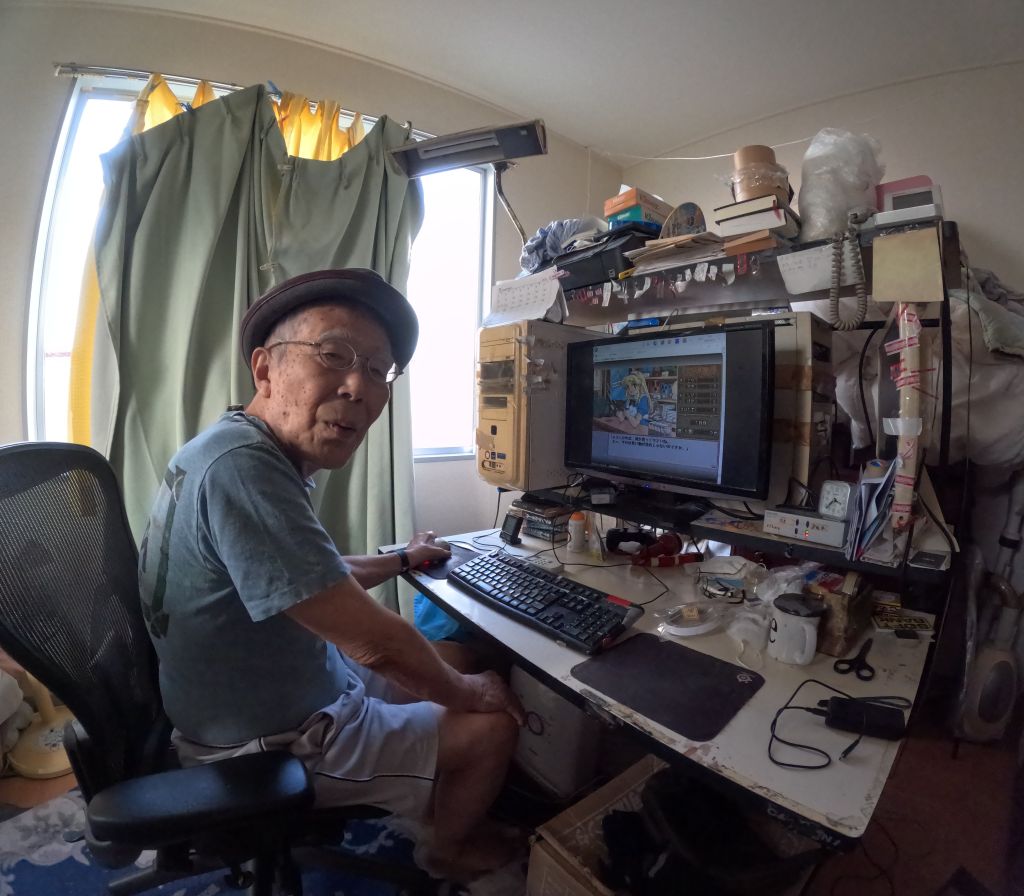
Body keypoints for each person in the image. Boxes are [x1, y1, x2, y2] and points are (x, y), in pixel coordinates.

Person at [138, 268, 525, 878]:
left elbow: (315, 578)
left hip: (275, 692)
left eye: (378, 370)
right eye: (334, 355)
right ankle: (446, 851)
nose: (358, 388)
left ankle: (429, 796)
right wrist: (472, 696)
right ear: (265, 369)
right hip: (265, 743)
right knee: (492, 720)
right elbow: (373, 642)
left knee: (454, 659)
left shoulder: (234, 448)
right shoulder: (245, 469)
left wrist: (404, 560)